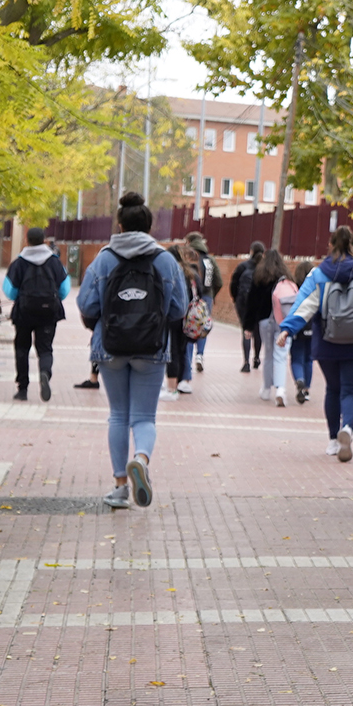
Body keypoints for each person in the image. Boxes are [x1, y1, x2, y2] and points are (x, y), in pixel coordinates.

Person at [74, 192, 188, 510]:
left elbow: (86, 304)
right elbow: (179, 308)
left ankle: (120, 488)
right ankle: (140, 459)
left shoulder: (104, 259)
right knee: (144, 417)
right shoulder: (165, 260)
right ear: (149, 227)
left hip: (110, 347)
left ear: (120, 226)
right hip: (152, 348)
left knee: (118, 416)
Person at [278, 227, 353, 458]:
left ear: (330, 245)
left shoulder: (319, 274)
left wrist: (287, 329)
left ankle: (333, 440)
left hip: (326, 341)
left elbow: (304, 304)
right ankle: (347, 428)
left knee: (333, 389)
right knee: (350, 390)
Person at [2, 225, 68, 401]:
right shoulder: (54, 262)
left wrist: (21, 297)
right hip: (48, 313)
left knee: (22, 349)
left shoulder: (19, 263)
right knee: (45, 348)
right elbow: (64, 288)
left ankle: (22, 388)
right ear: (44, 240)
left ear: (27, 240)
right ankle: (45, 372)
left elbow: (9, 290)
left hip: (24, 312)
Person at [247, 248, 292, 405]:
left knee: (268, 354)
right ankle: (280, 389)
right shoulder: (286, 278)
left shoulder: (259, 277)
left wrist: (248, 325)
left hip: (265, 320)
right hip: (283, 321)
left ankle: (266, 389)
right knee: (281, 355)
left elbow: (251, 302)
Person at [160, 242, 202, 401]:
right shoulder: (192, 274)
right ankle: (180, 382)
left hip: (173, 317)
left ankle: (171, 387)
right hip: (188, 318)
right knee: (182, 350)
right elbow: (200, 293)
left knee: (172, 351)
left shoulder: (171, 272)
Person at [185, 233, 222, 372]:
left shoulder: (188, 257)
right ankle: (200, 355)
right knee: (203, 326)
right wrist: (212, 295)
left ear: (189, 241)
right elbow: (219, 281)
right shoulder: (210, 259)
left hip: (191, 295)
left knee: (188, 326)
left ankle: (187, 361)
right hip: (207, 297)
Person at [231, 241, 264, 373]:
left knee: (246, 331)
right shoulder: (264, 267)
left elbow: (234, 284)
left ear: (251, 251)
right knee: (258, 331)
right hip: (259, 304)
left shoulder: (243, 266)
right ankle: (256, 358)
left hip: (243, 303)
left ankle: (246, 362)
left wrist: (236, 299)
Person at [288, 260, 315, 404]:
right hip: (313, 328)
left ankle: (299, 380)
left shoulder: (296, 290)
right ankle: (306, 389)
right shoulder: (316, 289)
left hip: (298, 328)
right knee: (309, 359)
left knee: (297, 358)